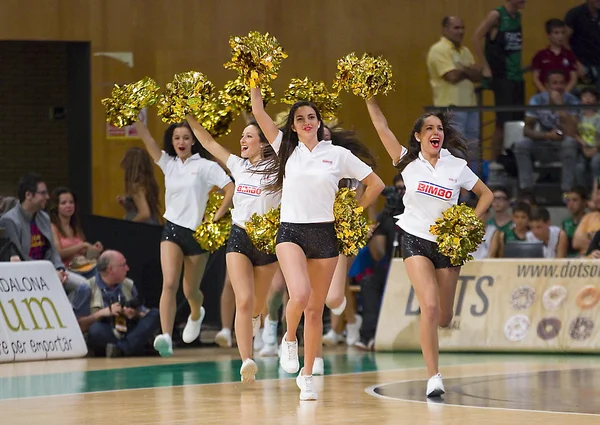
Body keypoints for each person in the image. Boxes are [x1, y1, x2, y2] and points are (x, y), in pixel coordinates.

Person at [251, 87, 385, 401]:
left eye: (311, 117)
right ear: (293, 126)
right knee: (298, 293)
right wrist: (254, 77)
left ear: (318, 121)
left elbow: (375, 183)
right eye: (300, 118)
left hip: (326, 235)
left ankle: (307, 375)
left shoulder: (336, 154)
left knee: (314, 311)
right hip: (291, 233)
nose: (307, 122)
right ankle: (287, 338)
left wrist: (353, 210)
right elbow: (259, 112)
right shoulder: (286, 148)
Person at [364, 96, 493, 397]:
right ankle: (433, 376)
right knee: (430, 307)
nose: (436, 132)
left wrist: (467, 224)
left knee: (444, 317)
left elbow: (486, 195)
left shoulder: (456, 165)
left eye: (440, 128)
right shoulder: (407, 161)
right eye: (429, 128)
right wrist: (370, 98)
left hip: (449, 246)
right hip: (414, 238)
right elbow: (381, 127)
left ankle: (436, 345)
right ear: (418, 136)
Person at [185, 114, 281, 383]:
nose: (242, 140)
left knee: (257, 307)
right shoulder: (238, 165)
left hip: (267, 241)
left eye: (249, 136)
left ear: (264, 143)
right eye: (242, 136)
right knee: (244, 300)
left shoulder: (279, 169)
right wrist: (189, 116)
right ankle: (247, 360)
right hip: (239, 237)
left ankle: (254, 323)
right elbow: (207, 142)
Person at [134, 120, 234, 357]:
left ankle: (196, 313)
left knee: (191, 291)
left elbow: (230, 187)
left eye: (186, 138)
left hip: (198, 235)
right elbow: (147, 141)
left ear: (193, 141)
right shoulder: (168, 164)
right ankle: (166, 336)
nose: (181, 142)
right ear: (172, 141)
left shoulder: (205, 166)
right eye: (177, 138)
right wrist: (137, 118)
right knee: (169, 283)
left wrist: (217, 217)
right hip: (171, 230)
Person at [77, 250, 161, 357]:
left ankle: (121, 349)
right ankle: (133, 347)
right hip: (107, 331)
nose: (127, 268)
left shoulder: (128, 284)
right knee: (95, 329)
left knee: (155, 314)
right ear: (110, 269)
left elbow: (144, 313)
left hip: (128, 330)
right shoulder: (87, 287)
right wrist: (101, 313)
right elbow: (78, 325)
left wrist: (135, 314)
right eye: (123, 265)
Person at [117, 147, 162, 225]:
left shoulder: (136, 187)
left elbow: (145, 213)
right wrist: (127, 203)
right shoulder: (146, 183)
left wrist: (126, 226)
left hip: (142, 229)